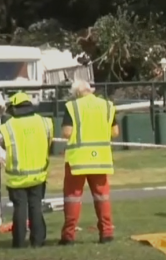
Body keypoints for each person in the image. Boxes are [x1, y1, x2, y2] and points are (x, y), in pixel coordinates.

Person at [60, 80, 118, 245]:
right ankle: (107, 233)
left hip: (78, 160)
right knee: (102, 197)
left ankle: (68, 236)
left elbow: (67, 132)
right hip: (100, 159)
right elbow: (115, 132)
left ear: (77, 93)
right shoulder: (107, 105)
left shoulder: (72, 106)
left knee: (72, 198)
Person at [0, 92, 53, 248]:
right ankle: (38, 241)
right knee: (36, 206)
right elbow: (49, 143)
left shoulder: (9, 126)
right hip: (38, 174)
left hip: (17, 176)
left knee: (19, 209)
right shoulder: (45, 122)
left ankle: (19, 242)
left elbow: (3, 145)